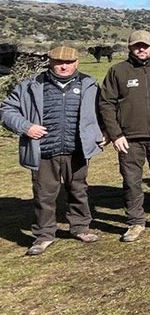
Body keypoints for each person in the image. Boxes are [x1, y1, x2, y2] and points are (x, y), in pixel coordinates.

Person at [1, 46, 103, 256]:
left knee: (78, 189)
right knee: (44, 194)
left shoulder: (89, 84)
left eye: (68, 62)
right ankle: (44, 234)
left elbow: (104, 111)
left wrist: (102, 133)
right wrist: (26, 126)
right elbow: (6, 110)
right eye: (58, 62)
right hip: (44, 149)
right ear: (50, 61)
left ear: (76, 62)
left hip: (77, 148)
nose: (63, 66)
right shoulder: (32, 85)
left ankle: (80, 227)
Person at [99, 30, 150, 242]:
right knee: (131, 180)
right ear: (130, 47)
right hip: (129, 138)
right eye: (137, 46)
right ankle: (135, 222)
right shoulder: (117, 71)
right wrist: (115, 134)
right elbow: (106, 103)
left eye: (145, 45)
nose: (141, 49)